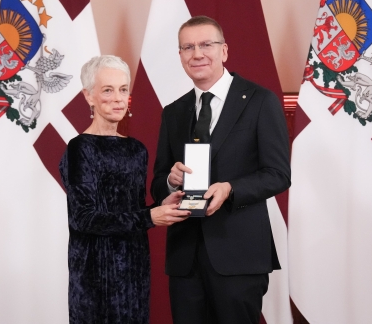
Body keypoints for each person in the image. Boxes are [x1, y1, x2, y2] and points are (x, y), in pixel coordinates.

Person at [151, 16, 291, 324]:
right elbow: (158, 181)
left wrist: (230, 188)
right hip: (185, 259)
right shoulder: (173, 112)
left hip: (239, 255)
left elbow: (278, 174)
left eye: (206, 45)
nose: (197, 54)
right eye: (188, 47)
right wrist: (171, 183)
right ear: (180, 56)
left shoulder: (260, 101)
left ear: (224, 51)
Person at [59, 55, 190, 324]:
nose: (118, 98)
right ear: (89, 96)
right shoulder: (80, 147)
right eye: (108, 90)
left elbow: (131, 211)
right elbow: (83, 218)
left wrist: (162, 207)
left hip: (134, 268)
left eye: (123, 89)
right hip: (95, 273)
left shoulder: (136, 149)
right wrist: (150, 217)